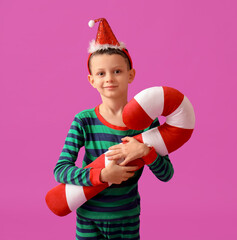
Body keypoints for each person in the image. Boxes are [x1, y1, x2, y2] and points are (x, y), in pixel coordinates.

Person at [53, 18, 174, 240]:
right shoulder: (83, 121)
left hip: (127, 218)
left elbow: (167, 174)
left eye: (117, 71)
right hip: (88, 217)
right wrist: (102, 175)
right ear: (91, 80)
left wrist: (145, 152)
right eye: (101, 73)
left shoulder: (148, 123)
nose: (109, 79)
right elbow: (60, 170)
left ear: (131, 75)